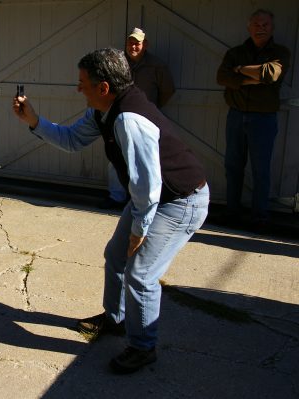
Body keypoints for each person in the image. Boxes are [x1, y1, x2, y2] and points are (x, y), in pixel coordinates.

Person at [13, 48, 209, 374]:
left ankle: (143, 347)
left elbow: (147, 184)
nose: (78, 89)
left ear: (104, 88)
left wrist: (139, 232)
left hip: (180, 201)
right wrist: (33, 120)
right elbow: (73, 140)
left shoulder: (129, 120)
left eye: (82, 83)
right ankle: (116, 320)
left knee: (141, 274)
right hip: (154, 198)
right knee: (116, 255)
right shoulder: (103, 111)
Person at [216, 9, 290, 229]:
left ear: (272, 28)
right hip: (236, 115)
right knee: (233, 166)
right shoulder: (235, 52)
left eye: (265, 25)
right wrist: (252, 79)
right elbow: (222, 77)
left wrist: (239, 72)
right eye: (257, 24)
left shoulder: (280, 52)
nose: (261, 28)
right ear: (249, 27)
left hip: (263, 119)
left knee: (261, 169)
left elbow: (271, 74)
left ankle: (260, 216)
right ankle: (232, 213)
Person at [100, 27, 176, 210]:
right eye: (130, 43)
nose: (133, 46)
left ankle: (147, 200)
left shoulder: (157, 65)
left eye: (137, 43)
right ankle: (116, 196)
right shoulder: (119, 63)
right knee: (116, 157)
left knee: (147, 158)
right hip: (119, 117)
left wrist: (152, 108)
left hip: (146, 119)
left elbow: (168, 90)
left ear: (145, 45)